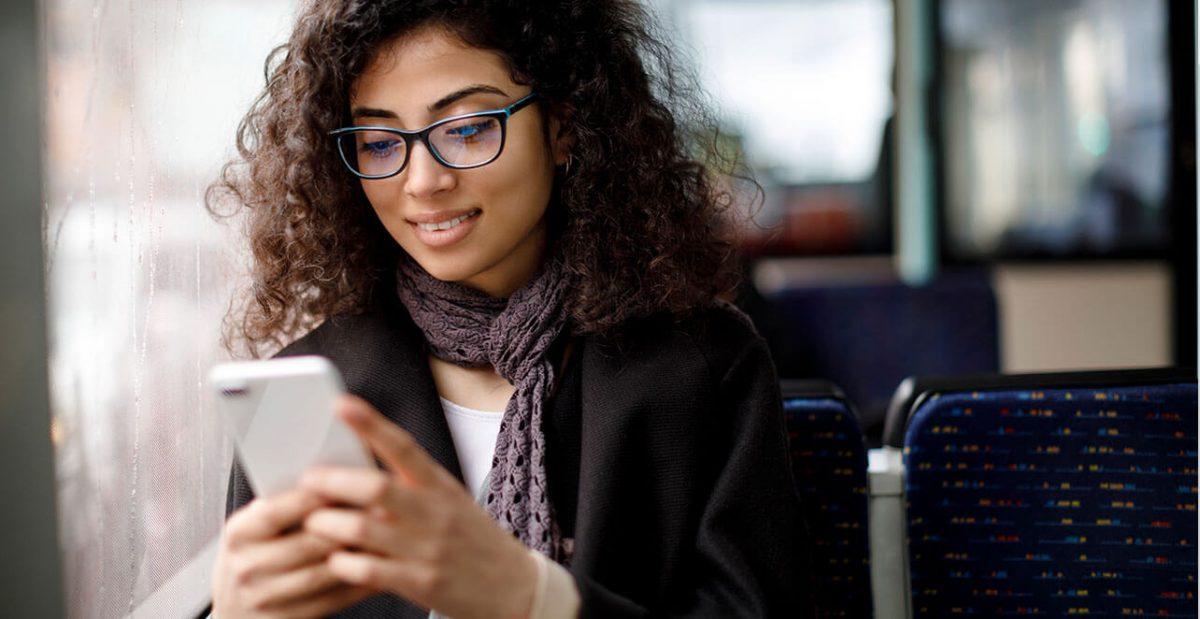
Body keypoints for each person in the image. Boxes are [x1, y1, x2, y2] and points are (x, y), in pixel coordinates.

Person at [206, 0, 812, 617]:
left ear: (562, 127)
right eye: (379, 141)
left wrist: (527, 598)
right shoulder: (305, 388)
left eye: (467, 129)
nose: (421, 182)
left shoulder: (704, 367)